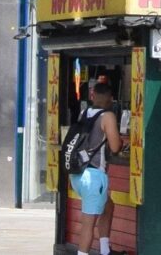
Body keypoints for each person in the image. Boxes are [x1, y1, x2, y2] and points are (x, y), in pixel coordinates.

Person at [65, 75, 121, 255]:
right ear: (110, 99)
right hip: (94, 176)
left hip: (77, 174)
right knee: (88, 223)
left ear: (92, 95)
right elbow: (114, 146)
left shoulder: (84, 113)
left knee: (108, 205)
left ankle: (105, 250)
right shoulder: (108, 116)